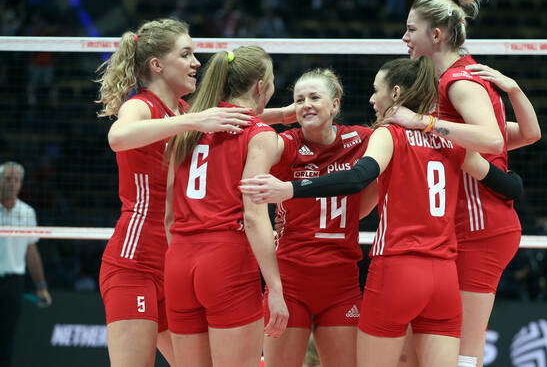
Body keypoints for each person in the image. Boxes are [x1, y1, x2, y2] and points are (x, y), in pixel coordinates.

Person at [240, 57, 523, 367]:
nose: (372, 98)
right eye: (299, 100)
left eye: (377, 91)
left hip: (388, 270)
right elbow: (509, 179)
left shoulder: (379, 136)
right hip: (441, 272)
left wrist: (291, 190)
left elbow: (359, 177)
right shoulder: (449, 138)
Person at [95, 18, 256, 367]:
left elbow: (228, 119)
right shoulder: (142, 105)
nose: (196, 62)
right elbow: (117, 137)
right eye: (186, 54)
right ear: (157, 65)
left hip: (176, 265)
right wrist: (193, 121)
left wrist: (288, 114)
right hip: (134, 264)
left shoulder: (184, 112)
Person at [399, 0, 541, 367]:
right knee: (424, 347)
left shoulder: (459, 81)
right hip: (460, 225)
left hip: (481, 226)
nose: (404, 37)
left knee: (463, 352)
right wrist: (513, 91)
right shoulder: (455, 77)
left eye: (411, 29)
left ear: (437, 34)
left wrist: (423, 123)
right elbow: (527, 135)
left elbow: (491, 139)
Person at [163, 46, 289, 367]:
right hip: (226, 261)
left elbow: (167, 216)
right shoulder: (259, 134)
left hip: (178, 261)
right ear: (260, 86)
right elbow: (253, 214)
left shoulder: (188, 126)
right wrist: (274, 287)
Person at [262, 68, 375, 367]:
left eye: (314, 97)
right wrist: (283, 114)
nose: (305, 105)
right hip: (291, 281)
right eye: (299, 100)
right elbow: (243, 124)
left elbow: (400, 143)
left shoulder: (361, 140)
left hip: (341, 282)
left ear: (335, 104)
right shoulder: (284, 144)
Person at [0, 161, 52, 365]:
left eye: (17, 180)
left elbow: (31, 251)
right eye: (8, 179)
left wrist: (41, 287)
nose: (12, 184)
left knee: (7, 336)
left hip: (13, 283)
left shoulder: (27, 213)